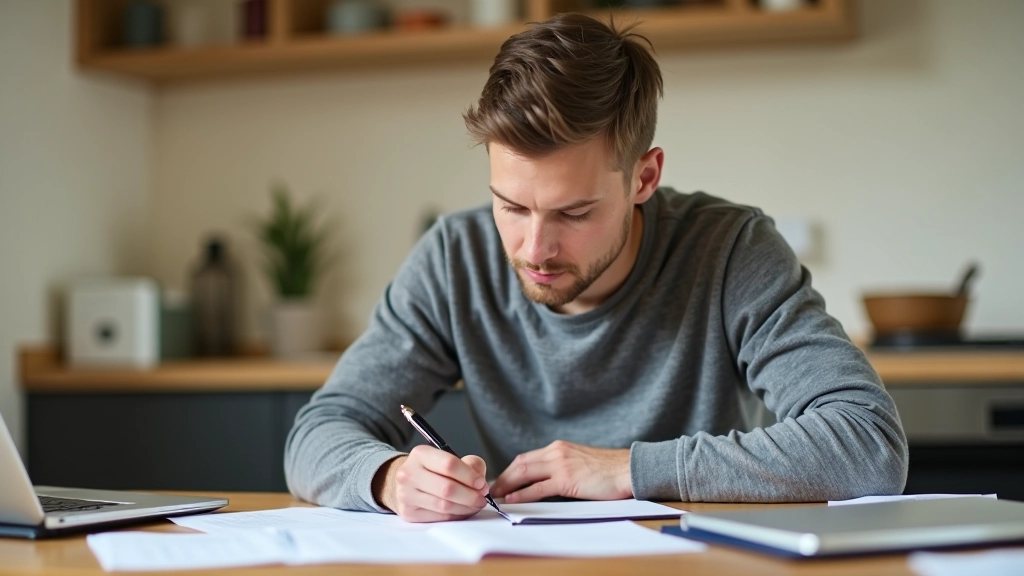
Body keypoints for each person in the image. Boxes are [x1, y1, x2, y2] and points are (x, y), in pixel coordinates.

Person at [284, 13, 908, 523]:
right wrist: (390, 476)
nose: (535, 248)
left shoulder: (730, 251)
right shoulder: (455, 258)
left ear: (645, 176)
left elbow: (868, 443)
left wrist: (628, 469)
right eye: (511, 206)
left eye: (574, 212)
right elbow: (319, 431)